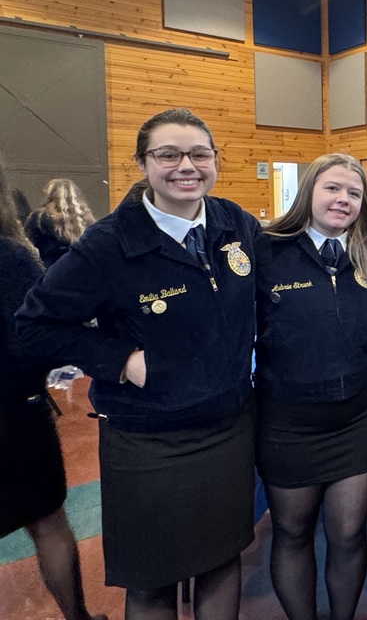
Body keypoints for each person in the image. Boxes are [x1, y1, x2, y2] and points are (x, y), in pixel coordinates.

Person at [16, 108, 259, 620]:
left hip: (228, 427)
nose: (185, 166)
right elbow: (33, 325)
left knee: (221, 562)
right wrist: (119, 359)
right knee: (152, 581)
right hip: (148, 439)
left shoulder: (236, 223)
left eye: (199, 153)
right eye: (168, 154)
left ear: (215, 160)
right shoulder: (108, 244)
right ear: (142, 164)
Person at [254, 153, 367, 620]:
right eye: (333, 188)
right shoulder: (266, 252)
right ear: (309, 191)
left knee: (349, 533)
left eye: (354, 193)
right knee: (292, 532)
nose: (343, 200)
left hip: (357, 417)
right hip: (287, 421)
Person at [0, 154, 105, 620]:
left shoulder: (35, 231)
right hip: (16, 409)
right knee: (47, 522)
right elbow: (39, 336)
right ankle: (77, 617)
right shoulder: (12, 253)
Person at [24, 178, 96, 268]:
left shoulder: (39, 217)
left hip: (50, 272)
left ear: (49, 196)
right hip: (80, 270)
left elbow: (28, 246)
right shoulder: (86, 218)